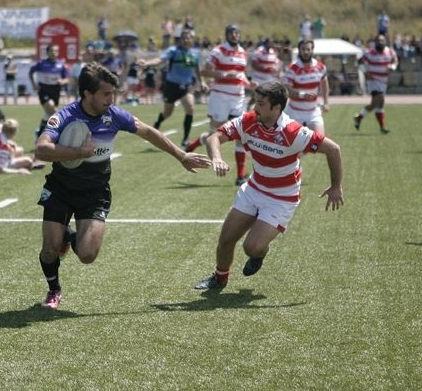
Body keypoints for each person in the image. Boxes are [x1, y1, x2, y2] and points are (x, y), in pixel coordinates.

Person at [34, 63, 210, 309]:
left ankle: (68, 235)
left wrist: (182, 156)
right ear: (87, 94)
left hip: (95, 192)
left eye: (113, 93)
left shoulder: (114, 115)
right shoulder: (64, 116)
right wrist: (78, 152)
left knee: (87, 255)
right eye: (106, 94)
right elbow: (41, 150)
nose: (111, 99)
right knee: (50, 250)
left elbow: (148, 132)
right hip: (60, 188)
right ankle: (54, 289)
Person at [194, 81, 343, 290]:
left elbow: (333, 149)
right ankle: (219, 278)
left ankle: (260, 253)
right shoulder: (249, 120)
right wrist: (217, 158)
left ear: (276, 108)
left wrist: (335, 186)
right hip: (254, 188)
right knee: (226, 238)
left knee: (252, 247)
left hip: (282, 198)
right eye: (256, 101)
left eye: (261, 103)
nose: (255, 107)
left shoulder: (293, 132)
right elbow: (215, 137)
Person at [185, 24, 250, 185]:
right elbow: (205, 71)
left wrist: (250, 84)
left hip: (238, 98)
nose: (235, 35)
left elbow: (241, 74)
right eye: (232, 33)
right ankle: (194, 144)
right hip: (220, 97)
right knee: (216, 134)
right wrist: (223, 74)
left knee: (241, 135)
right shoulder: (218, 51)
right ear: (227, 34)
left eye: (237, 33)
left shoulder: (243, 52)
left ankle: (240, 176)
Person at [141, 29, 201, 146]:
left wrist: (201, 82)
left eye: (188, 38)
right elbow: (160, 59)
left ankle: (185, 139)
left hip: (186, 86)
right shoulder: (173, 51)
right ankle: (157, 123)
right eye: (183, 38)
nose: (186, 40)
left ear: (191, 40)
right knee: (168, 113)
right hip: (171, 86)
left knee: (190, 108)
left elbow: (197, 69)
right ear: (180, 40)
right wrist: (147, 63)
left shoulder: (194, 54)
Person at [283, 39, 330, 135]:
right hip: (294, 112)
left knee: (319, 142)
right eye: (303, 49)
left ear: (312, 50)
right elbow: (287, 91)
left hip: (313, 112)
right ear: (299, 50)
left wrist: (326, 102)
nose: (306, 52)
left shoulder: (320, 67)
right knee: (294, 147)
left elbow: (324, 83)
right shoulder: (292, 68)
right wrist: (302, 95)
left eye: (308, 49)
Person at [354, 34, 397, 134]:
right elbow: (359, 62)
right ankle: (379, 126)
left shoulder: (390, 51)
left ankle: (360, 118)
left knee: (378, 104)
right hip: (373, 81)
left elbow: (395, 61)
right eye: (378, 41)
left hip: (383, 81)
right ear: (375, 42)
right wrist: (365, 73)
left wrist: (393, 66)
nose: (380, 43)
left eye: (382, 41)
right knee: (380, 99)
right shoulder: (370, 52)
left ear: (385, 41)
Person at [29, 44, 69, 138]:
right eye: (52, 51)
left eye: (56, 51)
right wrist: (34, 84)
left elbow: (66, 78)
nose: (54, 53)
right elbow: (31, 72)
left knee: (48, 115)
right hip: (44, 90)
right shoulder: (41, 63)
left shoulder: (61, 64)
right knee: (54, 111)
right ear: (47, 52)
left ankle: (39, 133)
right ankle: (61, 132)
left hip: (55, 91)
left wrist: (62, 81)